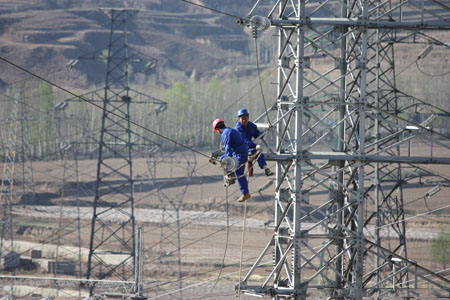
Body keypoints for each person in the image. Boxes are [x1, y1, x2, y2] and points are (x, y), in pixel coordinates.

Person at [212, 118, 251, 202]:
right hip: (241, 153)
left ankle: (231, 176)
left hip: (239, 155)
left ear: (217, 129)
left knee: (227, 162)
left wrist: (221, 159)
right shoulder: (230, 130)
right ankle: (245, 192)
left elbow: (228, 152)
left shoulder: (225, 134)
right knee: (238, 172)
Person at [235, 109, 273, 176]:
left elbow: (257, 135)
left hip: (249, 148)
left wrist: (263, 133)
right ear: (239, 119)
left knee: (258, 153)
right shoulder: (238, 129)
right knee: (241, 163)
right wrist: (255, 145)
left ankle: (266, 168)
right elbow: (245, 141)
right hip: (240, 148)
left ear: (248, 117)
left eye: (245, 117)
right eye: (242, 118)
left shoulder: (252, 126)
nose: (244, 120)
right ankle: (236, 173)